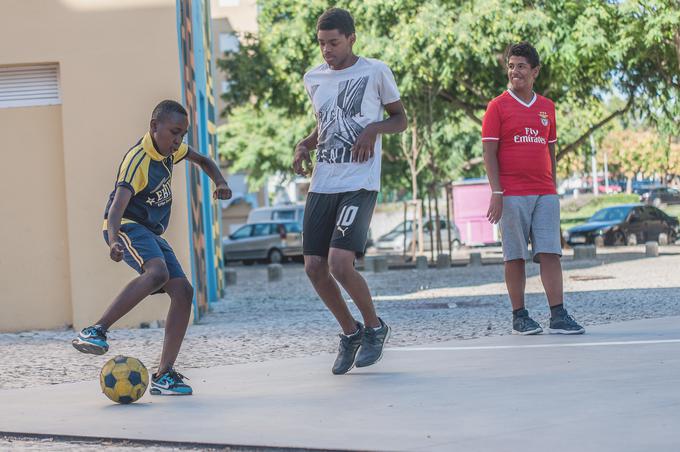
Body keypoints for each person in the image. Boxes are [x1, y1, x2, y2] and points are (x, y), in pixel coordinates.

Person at [72, 100, 232, 395]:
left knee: (183, 292)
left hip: (149, 231)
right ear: (154, 127)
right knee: (156, 272)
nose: (178, 141)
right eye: (174, 132)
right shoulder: (138, 159)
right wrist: (115, 239)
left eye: (183, 135)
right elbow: (117, 206)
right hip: (126, 226)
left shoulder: (172, 150)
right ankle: (96, 330)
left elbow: (204, 161)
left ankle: (164, 374)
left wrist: (220, 181)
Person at [293, 8, 407, 375]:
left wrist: (373, 130)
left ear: (352, 39)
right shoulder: (313, 77)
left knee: (340, 262)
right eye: (321, 43)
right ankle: (350, 333)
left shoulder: (375, 71)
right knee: (314, 267)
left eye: (334, 43)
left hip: (359, 183)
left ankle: (375, 327)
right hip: (323, 182)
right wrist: (304, 144)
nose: (326, 50)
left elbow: (400, 119)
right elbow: (324, 122)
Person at [482, 42, 585, 335]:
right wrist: (497, 192)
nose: (515, 71)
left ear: (535, 71)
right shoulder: (496, 107)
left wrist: (552, 186)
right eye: (511, 66)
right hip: (511, 194)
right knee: (515, 255)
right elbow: (489, 153)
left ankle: (558, 315)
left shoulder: (547, 107)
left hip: (544, 193)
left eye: (521, 66)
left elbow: (550, 150)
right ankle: (519, 316)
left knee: (550, 252)